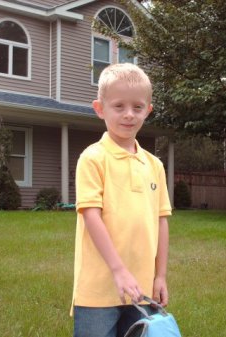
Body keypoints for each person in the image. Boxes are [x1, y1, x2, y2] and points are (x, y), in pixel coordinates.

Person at [71, 63, 172, 337]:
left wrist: (159, 276)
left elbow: (162, 221)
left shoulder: (154, 165)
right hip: (98, 290)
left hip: (141, 290)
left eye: (137, 107)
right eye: (119, 106)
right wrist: (118, 270)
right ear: (100, 108)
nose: (129, 115)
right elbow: (91, 216)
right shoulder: (93, 159)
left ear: (148, 111)